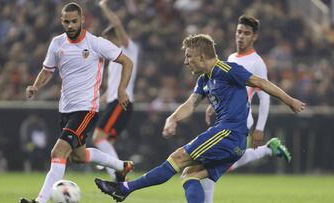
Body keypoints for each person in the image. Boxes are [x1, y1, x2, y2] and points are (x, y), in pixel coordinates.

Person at [95, 34, 305, 202]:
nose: (186, 62)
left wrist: (290, 101)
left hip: (229, 133)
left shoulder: (226, 69)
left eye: (189, 56)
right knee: (189, 175)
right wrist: (173, 118)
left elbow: (260, 82)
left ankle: (124, 188)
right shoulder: (205, 79)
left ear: (202, 56)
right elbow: (190, 104)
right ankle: (124, 189)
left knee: (177, 158)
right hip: (233, 140)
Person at [20, 2, 134, 203]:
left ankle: (40, 200)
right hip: (66, 109)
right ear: (61, 21)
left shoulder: (95, 43)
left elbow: (127, 61)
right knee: (78, 156)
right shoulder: (57, 43)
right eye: (66, 21)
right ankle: (121, 166)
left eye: (74, 21)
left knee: (59, 151)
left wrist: (121, 89)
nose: (71, 25)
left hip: (87, 109)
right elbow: (48, 70)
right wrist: (36, 86)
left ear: (82, 20)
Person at [201, 15, 292, 203]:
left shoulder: (257, 63)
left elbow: (264, 96)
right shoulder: (231, 57)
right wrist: (213, 104)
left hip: (241, 119)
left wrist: (260, 128)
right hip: (226, 118)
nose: (241, 36)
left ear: (254, 37)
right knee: (221, 165)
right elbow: (225, 87)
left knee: (209, 168)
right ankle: (269, 149)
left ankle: (268, 149)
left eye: (246, 33)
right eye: (239, 32)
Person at [92, 0, 139, 182]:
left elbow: (117, 23)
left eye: (108, 40)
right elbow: (111, 87)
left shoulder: (128, 49)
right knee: (106, 142)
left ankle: (119, 175)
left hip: (121, 102)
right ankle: (119, 178)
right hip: (115, 102)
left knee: (99, 138)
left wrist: (104, 6)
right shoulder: (114, 59)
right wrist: (99, 100)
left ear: (117, 38)